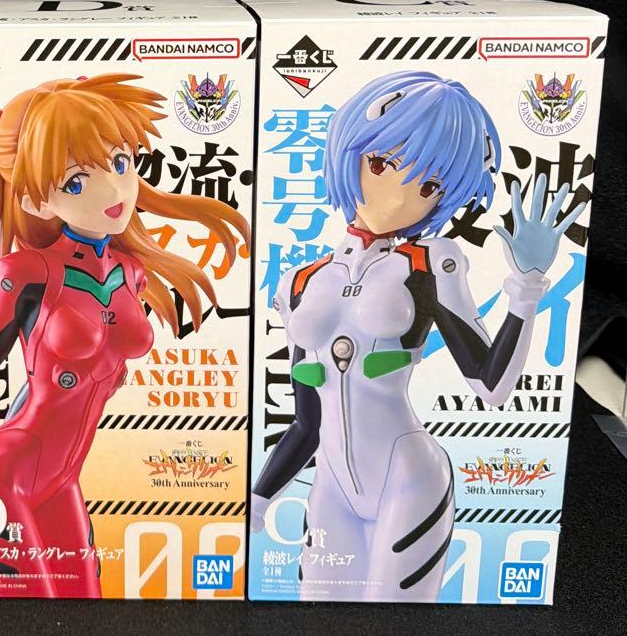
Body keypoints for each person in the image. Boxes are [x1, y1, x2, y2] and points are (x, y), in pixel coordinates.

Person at [249, 71, 584, 601]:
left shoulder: (431, 262)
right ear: (349, 151)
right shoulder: (300, 282)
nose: (397, 197)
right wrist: (260, 496)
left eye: (428, 186)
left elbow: (491, 385)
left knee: (396, 629)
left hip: (409, 477)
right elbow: (307, 421)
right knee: (319, 626)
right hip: (331, 485)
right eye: (381, 163)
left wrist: (526, 285)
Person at [0, 73, 250, 596]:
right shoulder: (25, 273)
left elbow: (56, 383)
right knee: (22, 628)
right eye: (77, 181)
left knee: (87, 615)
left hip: (62, 479)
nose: (114, 190)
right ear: (36, 202)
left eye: (121, 163)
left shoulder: (130, 272)